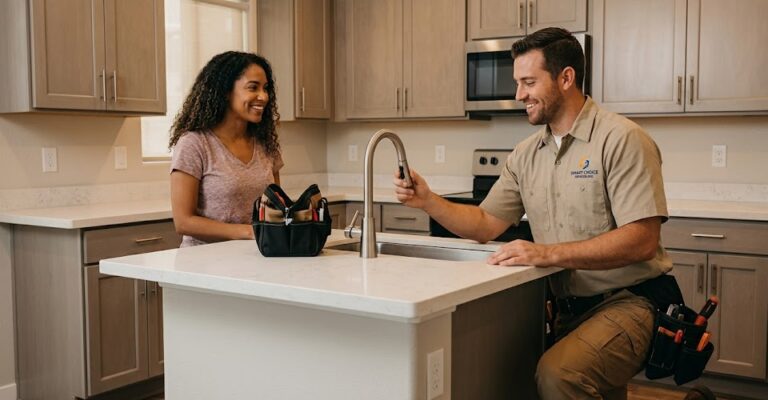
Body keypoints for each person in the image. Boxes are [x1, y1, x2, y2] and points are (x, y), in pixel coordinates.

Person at [393, 27, 675, 399]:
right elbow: (483, 224)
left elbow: (642, 240)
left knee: (560, 375)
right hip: (567, 309)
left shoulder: (622, 139)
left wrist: (546, 252)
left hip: (632, 302)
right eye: (517, 83)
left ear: (566, 78)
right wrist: (428, 200)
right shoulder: (526, 154)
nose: (518, 94)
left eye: (528, 82)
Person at [169, 51, 283, 247]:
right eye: (253, 87)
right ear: (225, 91)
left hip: (252, 258)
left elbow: (276, 207)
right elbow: (183, 221)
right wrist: (247, 232)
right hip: (202, 263)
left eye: (266, 88)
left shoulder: (266, 144)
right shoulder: (195, 144)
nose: (263, 96)